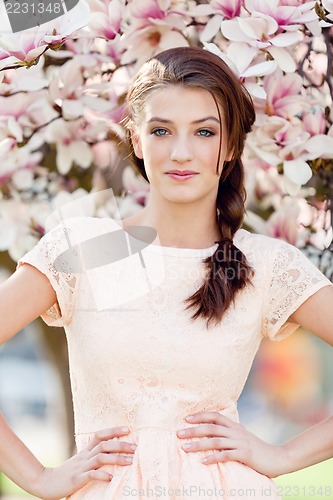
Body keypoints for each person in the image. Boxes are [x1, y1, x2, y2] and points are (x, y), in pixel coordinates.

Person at [0, 46, 333, 500]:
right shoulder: (82, 248)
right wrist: (38, 478)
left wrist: (285, 456)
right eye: (161, 130)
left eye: (204, 132)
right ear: (137, 140)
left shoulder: (266, 264)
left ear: (231, 145)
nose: (181, 152)